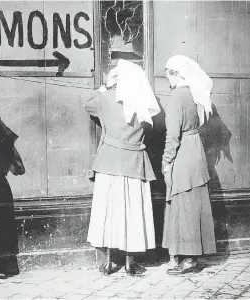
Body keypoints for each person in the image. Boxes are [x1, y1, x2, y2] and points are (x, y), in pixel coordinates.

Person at [84, 59, 160, 276]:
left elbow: (88, 104)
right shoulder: (144, 103)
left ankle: (109, 263)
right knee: (133, 213)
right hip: (135, 163)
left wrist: (106, 85)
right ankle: (129, 263)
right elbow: (150, 131)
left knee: (110, 211)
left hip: (109, 162)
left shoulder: (106, 99)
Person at [162, 55, 217, 275]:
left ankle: (189, 259)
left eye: (168, 73)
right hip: (196, 150)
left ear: (175, 73)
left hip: (183, 153)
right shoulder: (194, 93)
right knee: (194, 205)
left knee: (184, 205)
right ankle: (190, 256)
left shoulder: (176, 96)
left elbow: (172, 135)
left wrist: (166, 161)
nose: (167, 78)